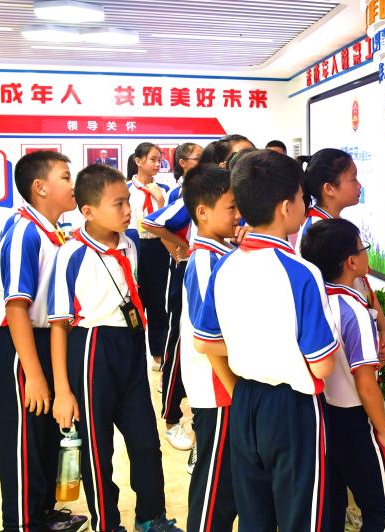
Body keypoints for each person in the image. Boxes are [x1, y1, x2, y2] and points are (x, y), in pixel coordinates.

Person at [193, 150, 338, 531]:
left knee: (255, 513)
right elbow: (322, 364)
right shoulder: (302, 272)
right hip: (293, 407)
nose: (304, 205)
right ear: (287, 207)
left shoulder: (225, 265)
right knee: (302, 515)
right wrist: (278, 348)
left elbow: (205, 341)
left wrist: (252, 346)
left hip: (245, 400)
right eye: (302, 198)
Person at [49, 164, 182, 532]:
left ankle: (151, 517)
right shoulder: (72, 253)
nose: (128, 210)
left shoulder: (130, 244)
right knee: (98, 447)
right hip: (92, 348)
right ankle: (106, 522)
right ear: (88, 211)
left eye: (128, 202)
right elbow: (59, 324)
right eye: (118, 204)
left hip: (131, 345)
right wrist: (62, 389)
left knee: (145, 442)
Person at [0, 150, 88, 531]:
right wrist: (32, 373)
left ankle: (43, 512)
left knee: (45, 435)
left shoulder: (55, 230)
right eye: (65, 177)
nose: (73, 184)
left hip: (48, 342)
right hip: (22, 346)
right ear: (40, 187)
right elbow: (16, 306)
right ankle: (21, 522)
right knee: (22, 441)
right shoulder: (23, 232)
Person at [301, 218, 385, 532]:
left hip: (324, 414)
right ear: (351, 261)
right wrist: (382, 429)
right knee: (382, 508)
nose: (366, 253)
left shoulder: (315, 301)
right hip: (357, 420)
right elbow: (365, 382)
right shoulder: (353, 310)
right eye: (363, 247)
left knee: (332, 504)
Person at [181, 164, 240, 530]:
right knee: (214, 484)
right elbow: (208, 338)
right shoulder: (205, 261)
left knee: (227, 478)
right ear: (202, 212)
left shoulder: (223, 253)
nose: (238, 214)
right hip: (218, 388)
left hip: (228, 386)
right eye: (231, 207)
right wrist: (235, 389)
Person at [298, 148, 385, 363]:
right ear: (329, 188)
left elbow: (362, 281)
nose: (359, 186)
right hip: (340, 343)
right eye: (353, 179)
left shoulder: (334, 225)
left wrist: (383, 327)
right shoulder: (317, 231)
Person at [142, 142, 202, 452]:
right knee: (176, 336)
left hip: (203, 270)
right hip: (185, 270)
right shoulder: (185, 193)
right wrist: (181, 252)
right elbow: (154, 222)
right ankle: (171, 415)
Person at [128, 143, 170, 369]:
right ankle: (133, 355)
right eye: (153, 159)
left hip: (158, 247)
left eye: (159, 160)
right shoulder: (126, 189)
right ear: (138, 160)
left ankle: (158, 354)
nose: (157, 164)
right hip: (134, 247)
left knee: (158, 301)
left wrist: (160, 201)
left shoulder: (164, 190)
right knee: (135, 300)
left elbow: (169, 222)